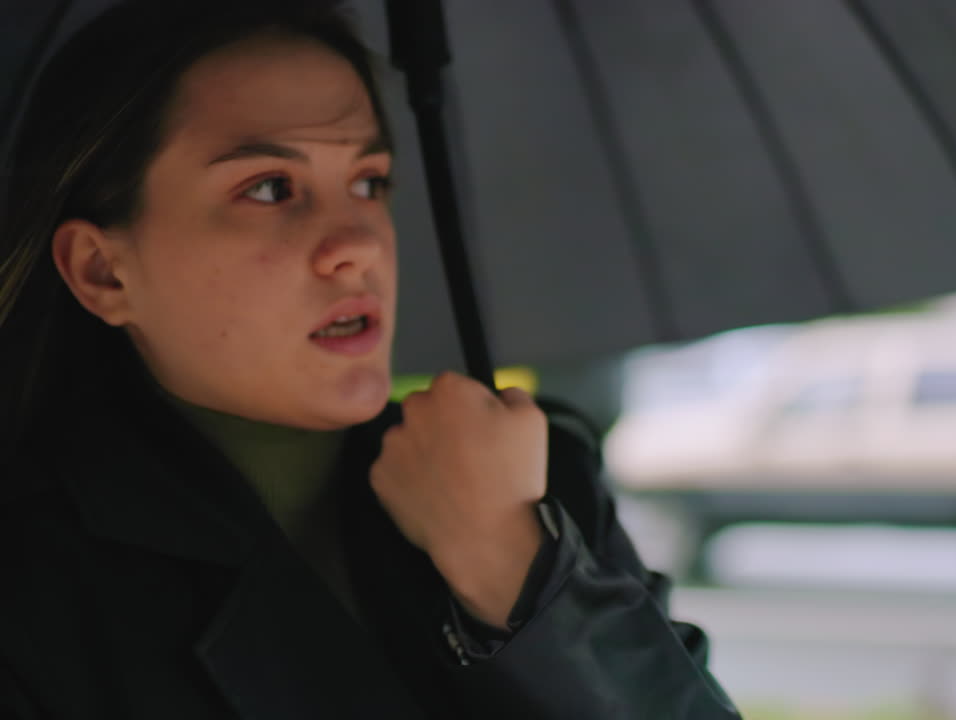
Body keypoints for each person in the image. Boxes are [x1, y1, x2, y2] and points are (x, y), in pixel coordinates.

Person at [0, 2, 741, 717]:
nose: (357, 242)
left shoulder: (542, 477)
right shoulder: (33, 582)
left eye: (369, 182)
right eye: (268, 188)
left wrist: (515, 563)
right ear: (103, 271)